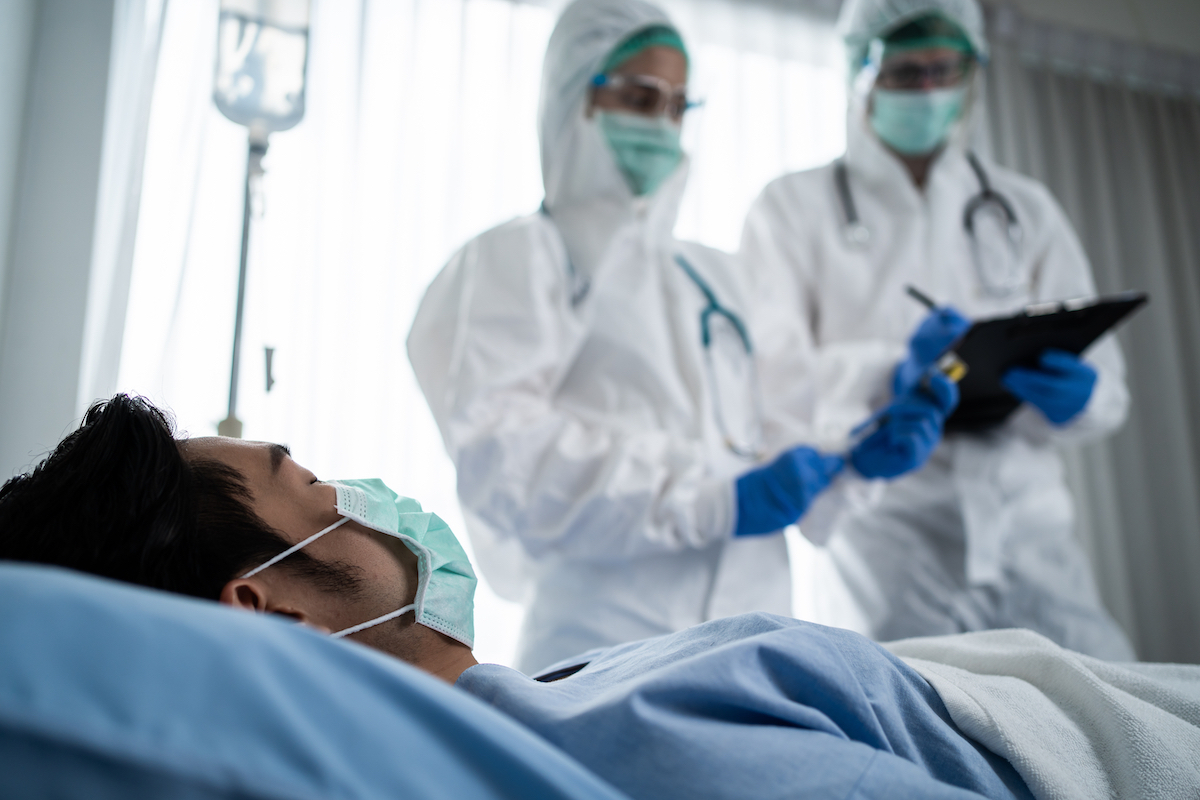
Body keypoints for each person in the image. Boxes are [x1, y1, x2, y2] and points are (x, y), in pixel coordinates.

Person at [6, 395, 1200, 800]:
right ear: (268, 609)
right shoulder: (642, 744)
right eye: (311, 485)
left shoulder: (574, 704)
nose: (364, 496)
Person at [406, 0, 956, 675]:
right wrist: (714, 502)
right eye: (640, 96)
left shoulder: (717, 274)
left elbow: (791, 419)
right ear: (573, 95)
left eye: (677, 104)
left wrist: (859, 451)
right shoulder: (517, 258)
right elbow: (509, 462)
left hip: (755, 640)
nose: (662, 124)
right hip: (602, 647)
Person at [739, 0, 1134, 659]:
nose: (926, 90)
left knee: (1103, 728)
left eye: (943, 70)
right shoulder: (791, 208)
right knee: (923, 741)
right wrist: (888, 376)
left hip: (1030, 530)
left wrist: (1081, 394)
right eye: (905, 72)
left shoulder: (1024, 207)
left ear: (972, 72)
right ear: (861, 73)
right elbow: (770, 377)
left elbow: (1110, 391)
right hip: (889, 537)